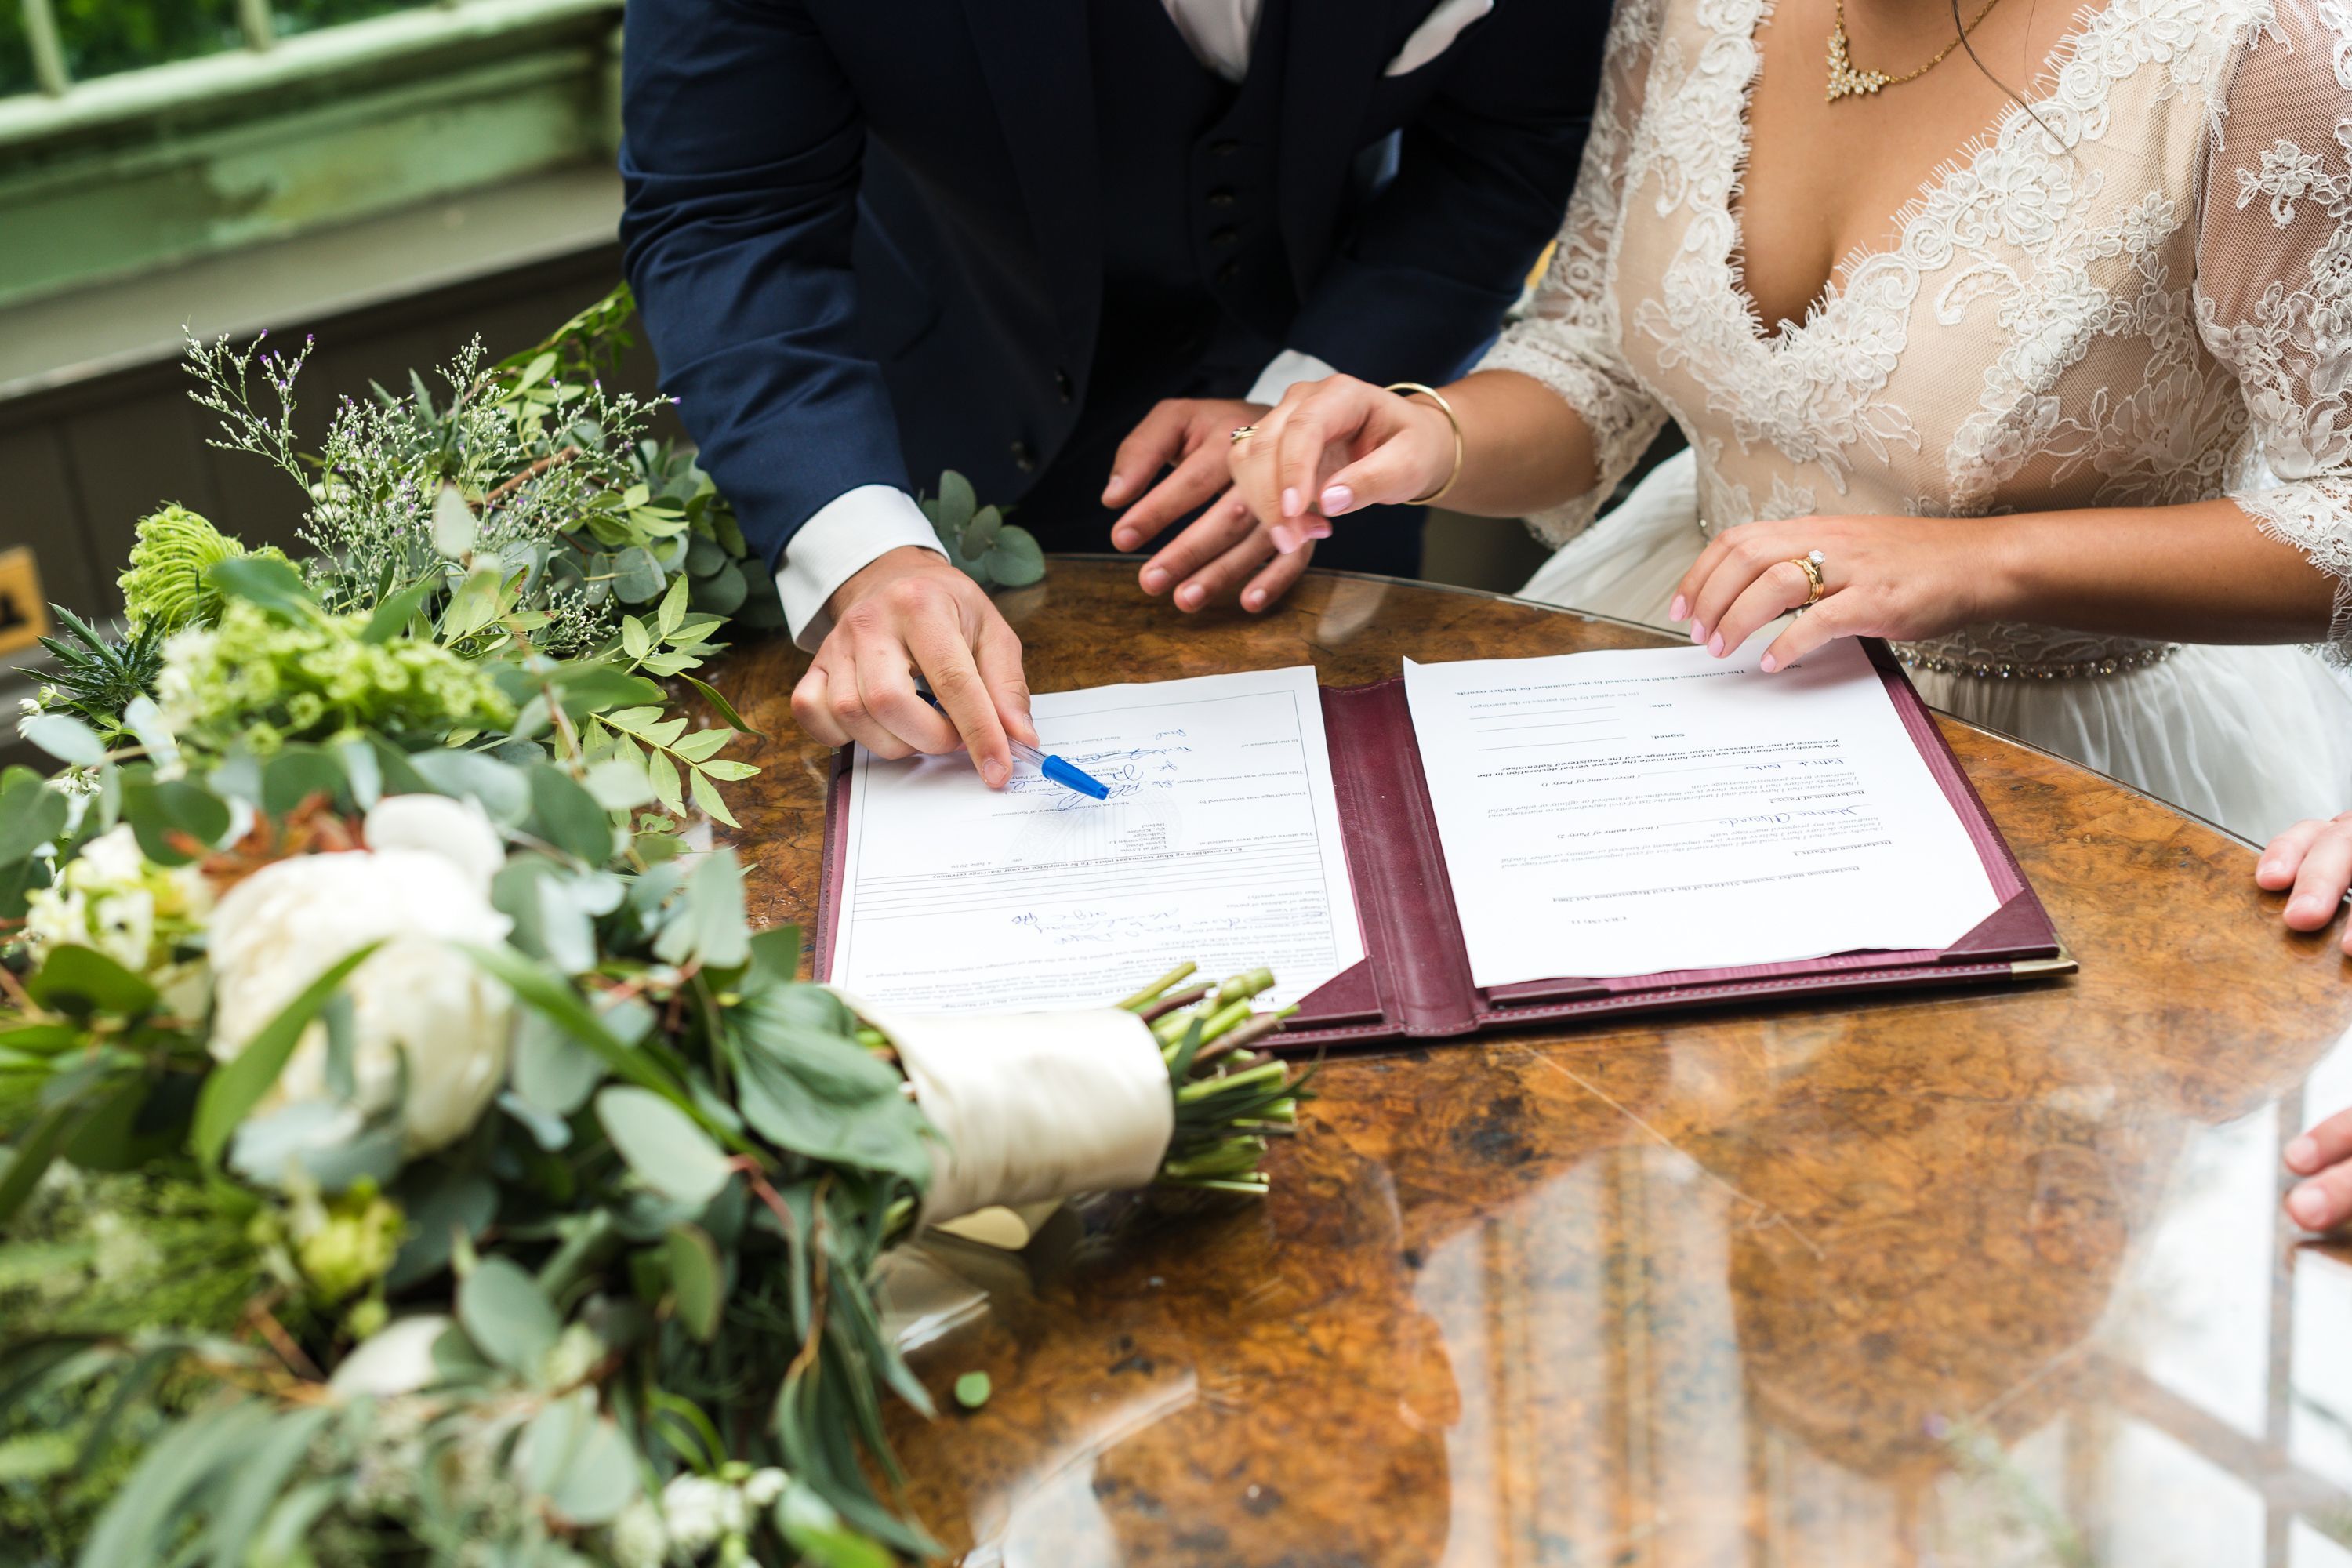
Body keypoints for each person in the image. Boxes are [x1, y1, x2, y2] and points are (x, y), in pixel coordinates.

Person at [1155, 0, 2352, 846]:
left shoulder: (2260, 52)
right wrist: (1430, 435)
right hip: (1676, 673)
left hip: (2048, 753)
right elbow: (1592, 357)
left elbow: (2338, 516)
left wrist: (1975, 562)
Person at [618, 0, 1605, 786]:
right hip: (931, 419)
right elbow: (727, 212)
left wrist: (1308, 402)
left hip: (1331, 421)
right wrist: (866, 554)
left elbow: (1507, 148)